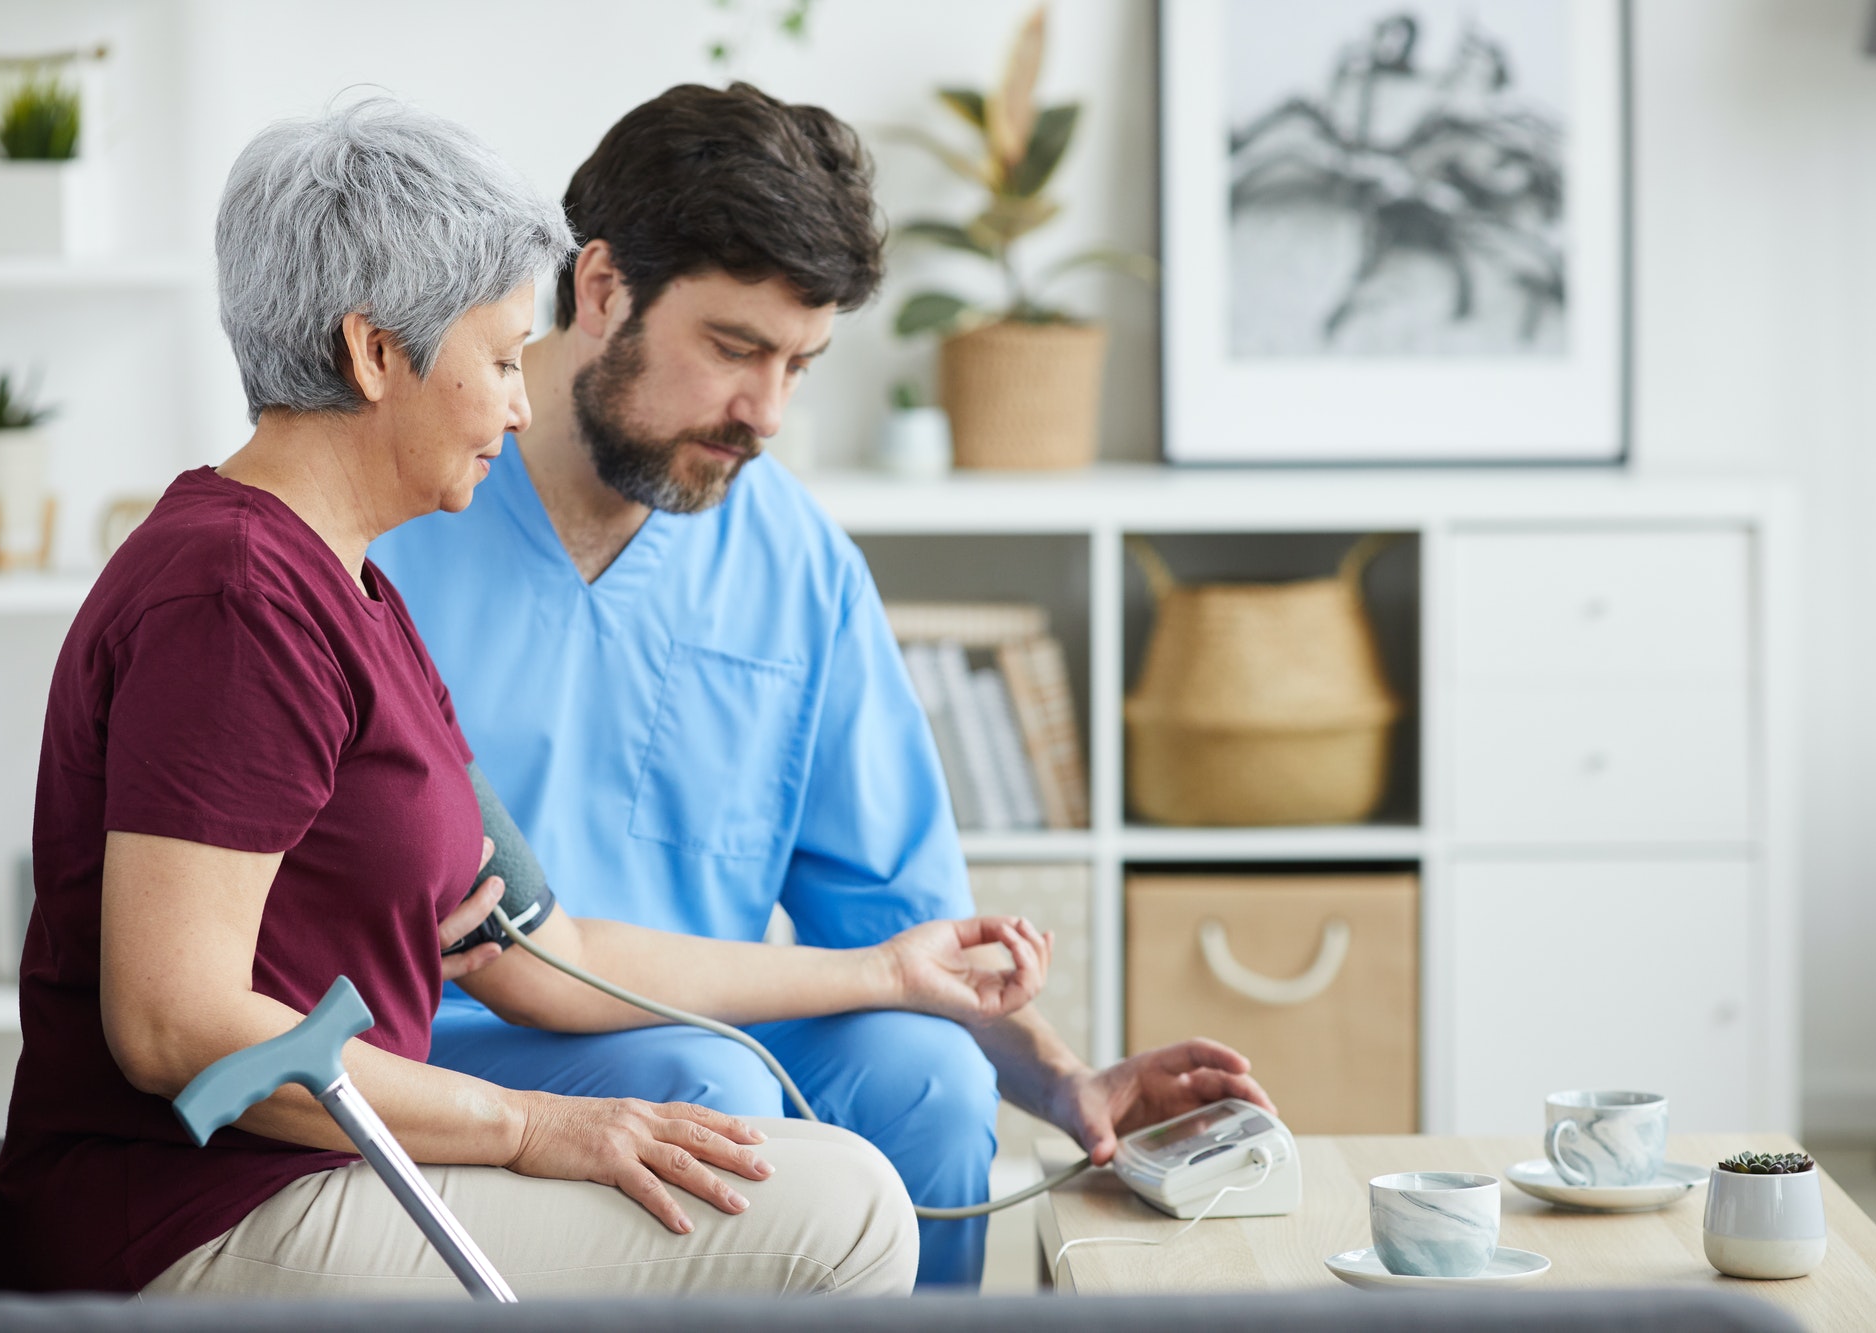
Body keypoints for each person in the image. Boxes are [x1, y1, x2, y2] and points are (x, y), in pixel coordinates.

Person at [0, 98, 1050, 1298]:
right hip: (198, 1213)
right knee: (839, 1214)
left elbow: (555, 952)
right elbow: (173, 1026)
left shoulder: (355, 596)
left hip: (314, 1174)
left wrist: (888, 977)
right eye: (496, 360)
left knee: (806, 1168)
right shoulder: (235, 596)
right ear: (373, 352)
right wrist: (529, 1128)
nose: (521, 401)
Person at [369, 81, 1276, 1287]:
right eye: (735, 350)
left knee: (931, 1078)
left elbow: (895, 932)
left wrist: (1064, 1077)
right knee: (714, 1085)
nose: (766, 414)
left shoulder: (795, 562)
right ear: (599, 290)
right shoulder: (393, 509)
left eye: (800, 363)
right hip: (448, 1038)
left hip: (712, 1020)